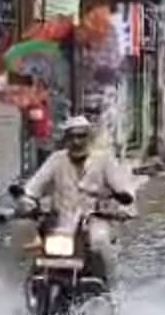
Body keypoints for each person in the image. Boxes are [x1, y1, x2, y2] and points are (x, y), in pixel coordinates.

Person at [18, 115, 135, 280]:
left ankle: (110, 287)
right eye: (72, 137)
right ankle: (36, 284)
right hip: (62, 222)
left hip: (95, 221)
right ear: (66, 139)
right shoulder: (56, 159)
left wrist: (122, 198)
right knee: (36, 247)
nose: (77, 142)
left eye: (81, 136)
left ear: (89, 138)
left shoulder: (104, 160)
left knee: (99, 242)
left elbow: (123, 188)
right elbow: (34, 186)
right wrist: (27, 201)